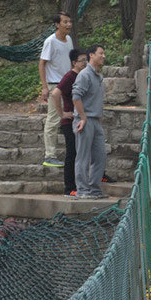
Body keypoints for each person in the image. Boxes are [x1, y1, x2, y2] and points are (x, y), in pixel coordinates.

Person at [72, 44, 108, 200]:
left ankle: (94, 189)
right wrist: (82, 117)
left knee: (100, 155)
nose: (104, 56)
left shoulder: (99, 76)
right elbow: (76, 96)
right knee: (83, 156)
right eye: (101, 53)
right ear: (91, 55)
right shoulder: (85, 74)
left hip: (96, 121)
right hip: (85, 121)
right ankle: (82, 190)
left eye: (104, 53)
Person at [39, 12, 74, 167]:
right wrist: (44, 87)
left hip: (68, 83)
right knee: (53, 119)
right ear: (57, 24)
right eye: (65, 22)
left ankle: (72, 150)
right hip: (54, 85)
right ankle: (50, 155)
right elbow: (42, 63)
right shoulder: (50, 41)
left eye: (70, 21)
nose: (68, 24)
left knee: (70, 116)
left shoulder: (69, 40)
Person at [52, 48, 88, 197]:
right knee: (71, 154)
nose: (85, 63)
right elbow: (55, 93)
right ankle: (69, 188)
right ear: (74, 62)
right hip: (69, 122)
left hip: (80, 120)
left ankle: (81, 184)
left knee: (81, 153)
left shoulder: (83, 76)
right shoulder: (70, 77)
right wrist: (62, 113)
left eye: (86, 60)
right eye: (82, 61)